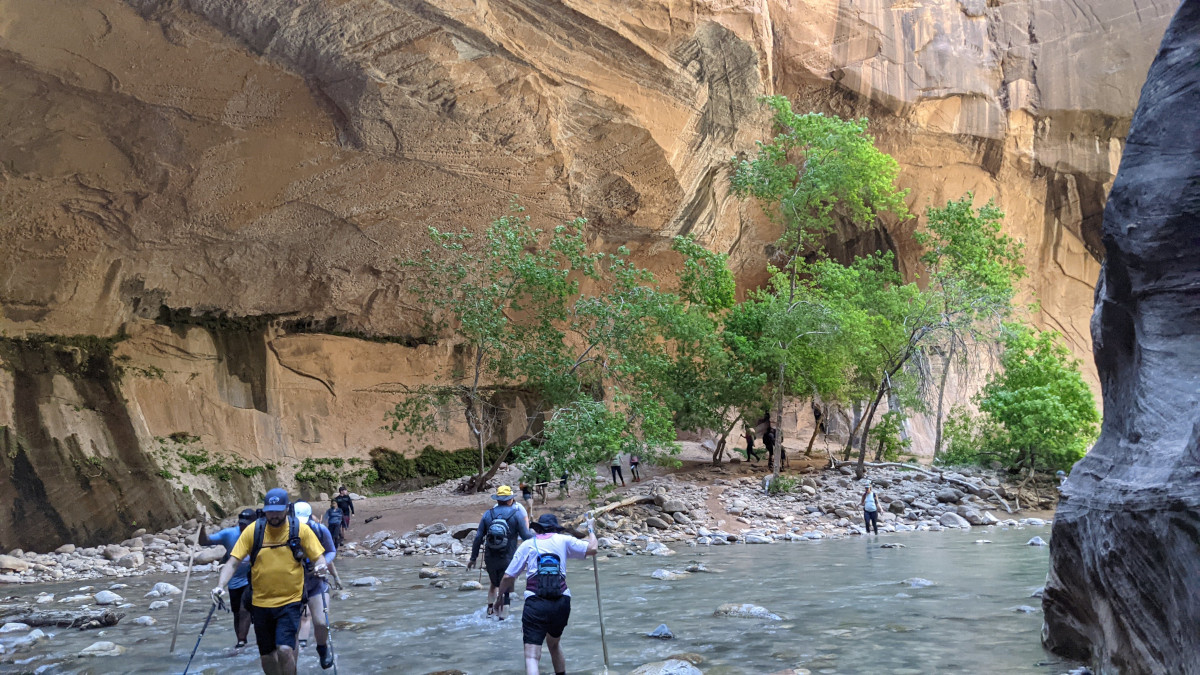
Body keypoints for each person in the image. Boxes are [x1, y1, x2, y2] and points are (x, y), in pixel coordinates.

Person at [212, 488, 327, 675]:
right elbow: (232, 563)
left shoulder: (300, 529)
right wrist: (219, 586)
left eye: (278, 511)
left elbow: (319, 558)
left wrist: (321, 566)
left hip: (290, 601)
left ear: (287, 509)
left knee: (284, 649)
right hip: (260, 603)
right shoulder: (253, 531)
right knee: (267, 657)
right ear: (264, 510)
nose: (274, 515)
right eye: (270, 511)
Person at [495, 513, 598, 675]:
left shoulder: (528, 545)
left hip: (536, 602)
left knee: (531, 656)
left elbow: (508, 576)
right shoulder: (564, 541)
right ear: (555, 529)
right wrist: (591, 528)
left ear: (537, 529)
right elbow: (592, 548)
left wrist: (499, 597)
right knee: (554, 644)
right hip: (561, 601)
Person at [468, 485, 534, 620]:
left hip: (490, 557)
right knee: (507, 588)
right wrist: (541, 540)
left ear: (497, 499)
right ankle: (503, 618)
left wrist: (473, 558)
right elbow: (526, 536)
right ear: (510, 499)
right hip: (508, 557)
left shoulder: (488, 514)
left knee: (494, 583)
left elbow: (478, 538)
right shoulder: (516, 514)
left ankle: (490, 610)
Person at [198, 508, 257, 648]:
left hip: (254, 578)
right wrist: (201, 528)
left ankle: (242, 642)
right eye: (242, 523)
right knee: (237, 612)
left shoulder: (261, 533)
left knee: (245, 609)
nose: (244, 527)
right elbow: (205, 542)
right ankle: (241, 639)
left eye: (247, 524)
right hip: (235, 578)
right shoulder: (229, 534)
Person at [293, 502, 337, 669]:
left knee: (321, 622)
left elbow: (331, 550)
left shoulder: (319, 530)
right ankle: (292, 666)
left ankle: (322, 647)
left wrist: (323, 563)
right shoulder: (286, 532)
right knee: (292, 630)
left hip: (316, 582)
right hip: (293, 585)